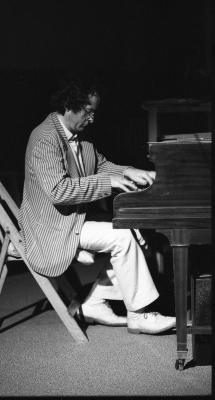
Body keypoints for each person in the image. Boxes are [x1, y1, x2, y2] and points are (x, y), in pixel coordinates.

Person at [18, 74, 176, 334]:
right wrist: (109, 183)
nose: (93, 119)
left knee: (133, 228)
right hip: (52, 228)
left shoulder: (82, 136)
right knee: (123, 237)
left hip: (73, 219)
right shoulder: (44, 138)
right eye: (89, 112)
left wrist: (130, 171)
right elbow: (59, 191)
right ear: (69, 106)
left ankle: (94, 302)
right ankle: (139, 315)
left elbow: (102, 165)